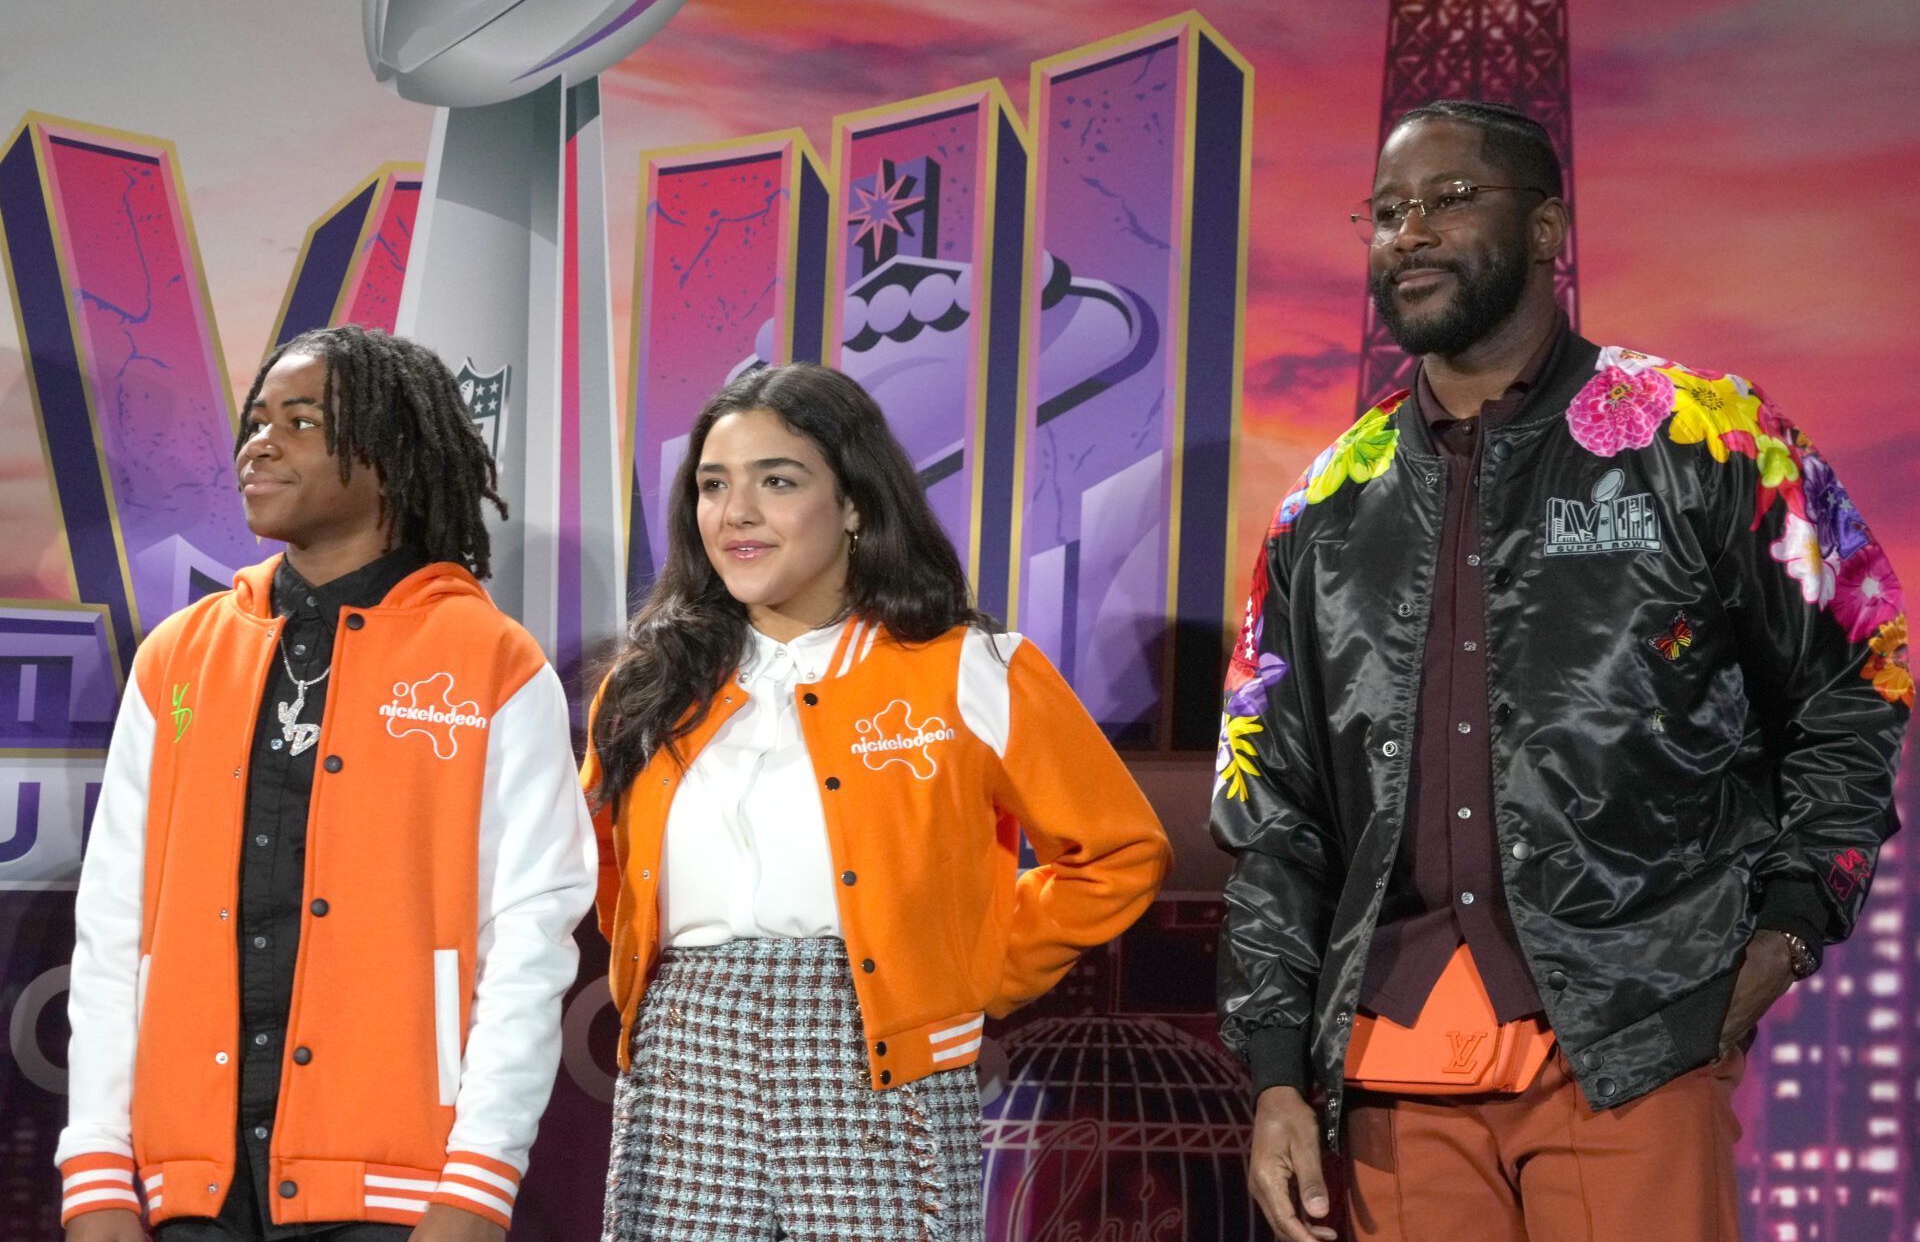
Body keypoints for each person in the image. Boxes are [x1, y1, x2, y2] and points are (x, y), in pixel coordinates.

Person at [1212, 99, 1908, 1242]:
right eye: (1386, 212)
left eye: (1448, 200)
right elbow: (1276, 811)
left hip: (1636, 1034)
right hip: (1393, 1062)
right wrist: (1277, 1067)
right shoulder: (1326, 507)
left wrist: (1789, 924)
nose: (1411, 233)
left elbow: (1856, 675)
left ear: (1547, 228)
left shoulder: (1710, 440)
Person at [582, 362, 1171, 1241]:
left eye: (776, 481)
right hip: (683, 1054)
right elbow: (606, 873)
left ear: (855, 502)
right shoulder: (648, 685)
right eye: (713, 485)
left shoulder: (967, 667)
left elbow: (1119, 855)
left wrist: (971, 969)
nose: (735, 512)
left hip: (875, 1057)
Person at [57, 325, 596, 1241]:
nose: (259, 443)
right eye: (256, 420)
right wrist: (98, 1169)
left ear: (389, 457)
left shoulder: (493, 662)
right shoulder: (176, 658)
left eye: (300, 422)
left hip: (400, 1192)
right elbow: (113, 930)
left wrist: (478, 1183)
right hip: (186, 1187)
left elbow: (529, 944)